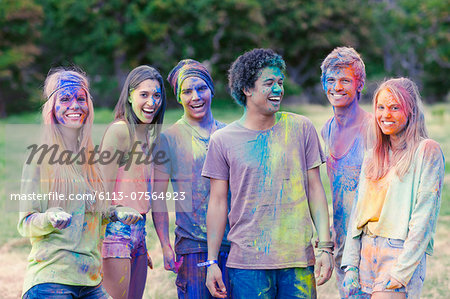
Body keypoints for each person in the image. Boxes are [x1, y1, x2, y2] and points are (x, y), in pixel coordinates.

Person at [202, 48, 333, 299]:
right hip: (247, 264)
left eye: (280, 82)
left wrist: (325, 247)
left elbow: (315, 189)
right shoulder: (222, 140)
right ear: (247, 89)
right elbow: (217, 203)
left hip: (297, 260)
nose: (278, 89)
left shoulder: (301, 128)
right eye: (269, 83)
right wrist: (211, 262)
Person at [18, 67, 142, 298]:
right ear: (52, 108)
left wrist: (116, 212)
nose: (74, 105)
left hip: (90, 281)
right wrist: (50, 218)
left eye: (80, 98)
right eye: (65, 99)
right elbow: (26, 222)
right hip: (50, 280)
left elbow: (92, 213)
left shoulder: (90, 160)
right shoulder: (40, 157)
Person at [341, 78, 444, 299]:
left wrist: (402, 271)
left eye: (395, 107)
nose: (385, 115)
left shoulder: (426, 151)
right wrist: (350, 265)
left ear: (411, 111)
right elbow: (357, 215)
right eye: (381, 107)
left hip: (397, 253)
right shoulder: (372, 156)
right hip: (364, 255)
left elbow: (424, 218)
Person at [152, 59, 231, 298]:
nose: (195, 96)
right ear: (178, 97)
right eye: (187, 91)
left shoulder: (230, 133)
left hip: (234, 244)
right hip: (193, 245)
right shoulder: (170, 138)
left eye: (201, 88)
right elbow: (157, 197)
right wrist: (165, 245)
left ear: (212, 90)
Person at [100, 65, 167, 299]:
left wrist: (140, 242)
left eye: (157, 95)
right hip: (116, 231)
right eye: (144, 95)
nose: (152, 102)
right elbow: (101, 197)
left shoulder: (147, 135)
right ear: (129, 95)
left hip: (139, 231)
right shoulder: (120, 131)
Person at [320, 46, 372, 298]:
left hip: (372, 244)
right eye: (330, 80)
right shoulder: (326, 130)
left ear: (359, 84)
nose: (337, 87)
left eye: (345, 80)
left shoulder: (374, 128)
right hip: (342, 241)